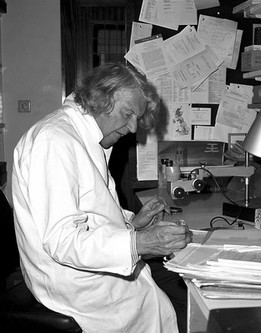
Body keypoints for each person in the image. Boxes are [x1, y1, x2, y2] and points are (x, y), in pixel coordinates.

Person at [12, 62, 192, 333]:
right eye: (127, 113)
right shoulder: (54, 140)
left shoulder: (85, 135)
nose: (133, 128)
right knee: (186, 308)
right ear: (99, 100)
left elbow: (91, 213)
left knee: (180, 292)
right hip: (75, 284)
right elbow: (62, 241)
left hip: (92, 271)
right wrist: (139, 242)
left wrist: (135, 223)